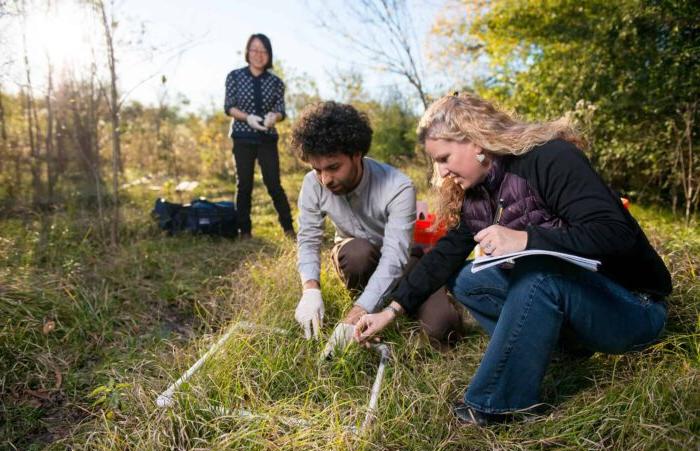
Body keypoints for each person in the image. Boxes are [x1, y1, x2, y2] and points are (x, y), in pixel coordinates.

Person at [354, 93, 672, 426]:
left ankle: (497, 406)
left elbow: (614, 233)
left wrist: (526, 239)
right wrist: (391, 310)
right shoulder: (476, 194)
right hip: (579, 306)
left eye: (445, 158)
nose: (442, 172)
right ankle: (555, 350)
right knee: (468, 279)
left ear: (476, 140)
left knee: (540, 277)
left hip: (632, 308)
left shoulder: (551, 158)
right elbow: (445, 255)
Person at [291, 101, 464, 354]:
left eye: (333, 167)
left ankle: (383, 305)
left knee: (443, 328)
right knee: (356, 253)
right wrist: (310, 289)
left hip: (405, 260)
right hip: (359, 256)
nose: (325, 180)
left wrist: (355, 316)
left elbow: (395, 257)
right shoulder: (312, 184)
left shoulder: (398, 186)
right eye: (317, 170)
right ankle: (368, 298)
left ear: (357, 154)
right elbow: (308, 239)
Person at [224, 33, 294, 239]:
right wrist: (247, 118)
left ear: (269, 54)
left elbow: (281, 110)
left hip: (267, 139)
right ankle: (244, 231)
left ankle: (289, 229)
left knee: (273, 183)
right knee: (244, 184)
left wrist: (275, 116)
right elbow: (229, 107)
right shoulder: (235, 76)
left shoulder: (276, 82)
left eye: (263, 50)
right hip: (242, 137)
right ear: (247, 52)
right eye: (254, 49)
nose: (258, 54)